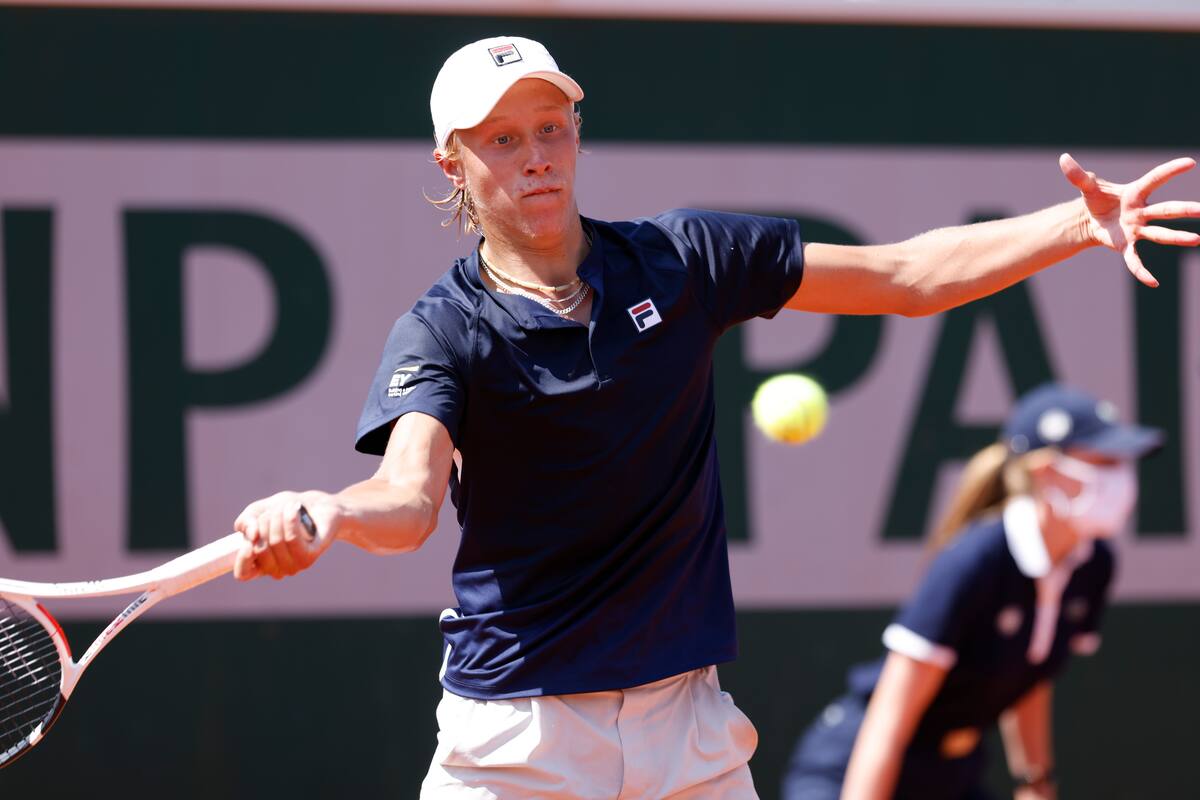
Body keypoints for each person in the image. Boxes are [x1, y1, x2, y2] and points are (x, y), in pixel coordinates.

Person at [229, 35, 1199, 798]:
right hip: (517, 744)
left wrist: (1078, 224)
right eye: (501, 139)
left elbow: (906, 275)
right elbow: (406, 496)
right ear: (452, 162)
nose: (536, 159)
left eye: (551, 127)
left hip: (688, 735)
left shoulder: (683, 259)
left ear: (578, 130)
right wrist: (330, 512)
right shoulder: (441, 332)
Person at [782, 383, 1161, 800]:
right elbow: (889, 719)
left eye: (1122, 463)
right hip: (853, 772)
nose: (1121, 478)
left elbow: (1032, 676)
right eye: (1103, 461)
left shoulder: (1094, 563)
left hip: (953, 776)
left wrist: (1035, 782)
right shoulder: (975, 560)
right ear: (1046, 472)